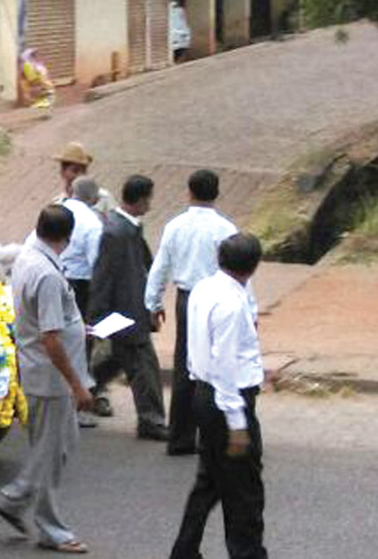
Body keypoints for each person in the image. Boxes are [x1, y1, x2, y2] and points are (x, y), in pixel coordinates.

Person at [0, 205, 92, 555]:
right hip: (51, 378)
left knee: (59, 445)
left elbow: (49, 323)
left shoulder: (28, 257)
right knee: (52, 452)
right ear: (67, 238)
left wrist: (78, 327)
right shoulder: (47, 274)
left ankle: (16, 496)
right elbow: (50, 337)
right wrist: (78, 385)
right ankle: (49, 526)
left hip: (38, 369)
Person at [170, 233, 268, 559]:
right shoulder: (231, 303)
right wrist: (237, 422)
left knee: (209, 481)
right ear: (253, 267)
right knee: (244, 492)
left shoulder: (203, 288)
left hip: (204, 392)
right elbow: (225, 365)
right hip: (227, 400)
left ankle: (184, 551)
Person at [145, 169, 237, 456]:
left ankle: (181, 436)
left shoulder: (175, 226)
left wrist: (153, 303)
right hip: (218, 298)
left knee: (185, 364)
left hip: (186, 299)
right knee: (215, 364)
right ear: (217, 193)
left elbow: (160, 267)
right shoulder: (226, 230)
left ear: (189, 192)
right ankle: (213, 434)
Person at [87, 175, 169, 441]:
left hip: (129, 311)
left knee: (117, 361)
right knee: (143, 367)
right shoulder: (117, 233)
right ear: (142, 199)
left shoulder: (125, 228)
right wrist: (98, 316)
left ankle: (83, 392)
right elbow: (104, 275)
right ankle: (151, 420)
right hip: (125, 313)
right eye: (149, 199)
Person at [59, 178, 104, 426]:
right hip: (81, 286)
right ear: (94, 199)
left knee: (57, 341)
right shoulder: (91, 222)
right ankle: (78, 404)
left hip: (56, 277)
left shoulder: (58, 211)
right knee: (80, 345)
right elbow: (96, 262)